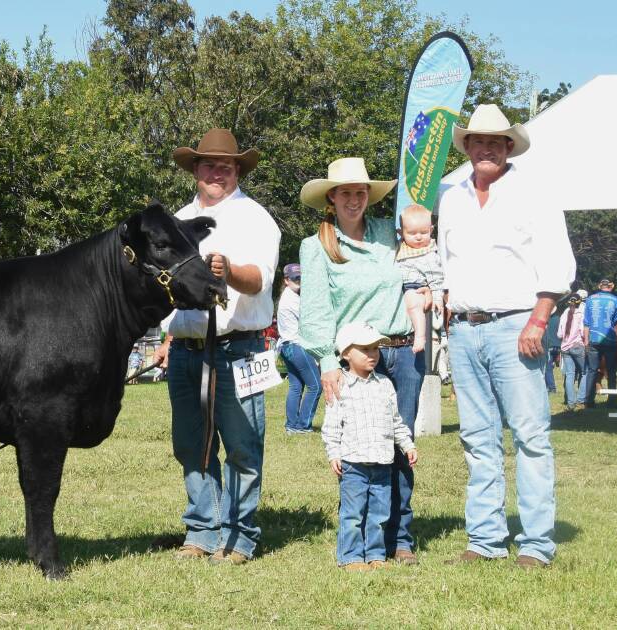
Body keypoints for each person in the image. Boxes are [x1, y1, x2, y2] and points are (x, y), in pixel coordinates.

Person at [437, 103, 575, 569]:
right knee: (477, 438)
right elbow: (444, 263)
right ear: (468, 147)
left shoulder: (534, 193)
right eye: (478, 141)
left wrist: (539, 318)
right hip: (464, 328)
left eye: (496, 141)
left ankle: (536, 544)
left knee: (531, 436)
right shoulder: (450, 195)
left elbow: (558, 264)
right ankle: (485, 540)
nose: (486, 148)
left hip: (518, 325)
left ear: (509, 147)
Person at [152, 128, 281, 566]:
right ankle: (202, 529)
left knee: (243, 446)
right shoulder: (175, 221)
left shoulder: (256, 218)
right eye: (209, 165)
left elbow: (260, 278)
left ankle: (241, 536)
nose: (217, 173)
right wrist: (170, 338)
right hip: (188, 348)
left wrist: (227, 272)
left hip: (239, 348)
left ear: (238, 171)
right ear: (195, 170)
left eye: (226, 166)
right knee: (192, 445)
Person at [298, 156, 424, 565]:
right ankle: (357, 537)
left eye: (360, 192)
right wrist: (326, 361)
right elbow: (315, 309)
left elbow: (426, 241)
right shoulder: (317, 246)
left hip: (401, 351)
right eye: (345, 192)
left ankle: (398, 538)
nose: (353, 199)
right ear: (331, 198)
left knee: (398, 446)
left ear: (368, 196)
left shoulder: (390, 233)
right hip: (352, 359)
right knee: (356, 449)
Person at [321, 322, 418, 572]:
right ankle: (351, 556)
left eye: (375, 348)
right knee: (353, 515)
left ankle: (376, 555)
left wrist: (407, 445)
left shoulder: (384, 384)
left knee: (379, 514)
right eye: (365, 349)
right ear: (345, 354)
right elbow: (331, 426)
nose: (373, 354)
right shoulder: (340, 385)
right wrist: (334, 454)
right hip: (354, 464)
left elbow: (396, 421)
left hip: (383, 464)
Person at [276, 263, 321, 434]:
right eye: (296, 278)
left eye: (302, 277)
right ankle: (303, 425)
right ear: (286, 280)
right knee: (315, 386)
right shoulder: (291, 299)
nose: (300, 281)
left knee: (296, 386)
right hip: (296, 346)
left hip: (287, 346)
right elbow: (309, 320)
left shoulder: (289, 296)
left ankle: (291, 425)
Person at [395, 204, 444, 354]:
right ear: (401, 232)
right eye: (412, 233)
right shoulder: (400, 247)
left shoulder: (429, 254)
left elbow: (436, 279)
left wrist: (437, 298)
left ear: (431, 230)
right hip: (400, 288)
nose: (418, 237)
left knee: (413, 304)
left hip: (416, 288)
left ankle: (420, 336)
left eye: (424, 232)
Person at [583, 279, 617, 408]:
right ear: (611, 287)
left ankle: (588, 400)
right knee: (611, 371)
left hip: (593, 338)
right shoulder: (616, 300)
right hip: (609, 339)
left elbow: (586, 322)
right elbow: (616, 320)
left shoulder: (590, 299)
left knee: (592, 370)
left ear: (599, 286)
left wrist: (586, 340)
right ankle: (612, 401)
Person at [557, 290, 589, 411]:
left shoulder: (565, 313)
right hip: (577, 346)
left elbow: (560, 334)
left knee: (569, 375)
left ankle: (571, 403)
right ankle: (581, 400)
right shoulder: (581, 314)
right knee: (585, 372)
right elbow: (582, 331)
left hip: (565, 347)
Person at [542, 307, 561, 393]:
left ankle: (551, 387)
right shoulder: (558, 318)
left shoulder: (545, 319)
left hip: (549, 345)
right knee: (552, 366)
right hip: (558, 346)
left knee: (548, 368)